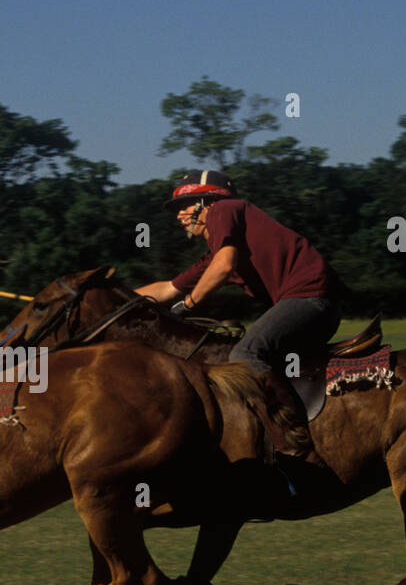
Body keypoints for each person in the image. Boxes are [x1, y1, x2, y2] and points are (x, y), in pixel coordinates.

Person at [137, 170, 344, 456]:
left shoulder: (223, 210)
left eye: (183, 206)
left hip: (311, 298)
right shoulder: (217, 249)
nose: (179, 216)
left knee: (244, 355)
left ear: (205, 202)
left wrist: (188, 306)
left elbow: (224, 267)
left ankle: (293, 440)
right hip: (313, 301)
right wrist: (118, 302)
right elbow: (168, 288)